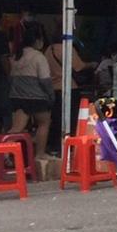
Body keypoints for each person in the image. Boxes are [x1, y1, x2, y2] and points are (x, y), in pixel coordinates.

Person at [8, 20, 54, 162]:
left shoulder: (16, 55)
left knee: (17, 128)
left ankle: (4, 152)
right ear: (38, 41)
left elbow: (11, 77)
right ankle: (39, 153)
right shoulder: (38, 57)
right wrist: (51, 95)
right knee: (44, 123)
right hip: (36, 98)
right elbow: (45, 80)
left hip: (17, 97)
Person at [47, 26, 94, 154]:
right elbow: (79, 67)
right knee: (72, 119)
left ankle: (55, 145)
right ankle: (70, 145)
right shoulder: (67, 48)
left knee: (56, 118)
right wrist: (93, 64)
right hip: (69, 88)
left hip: (53, 88)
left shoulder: (48, 49)